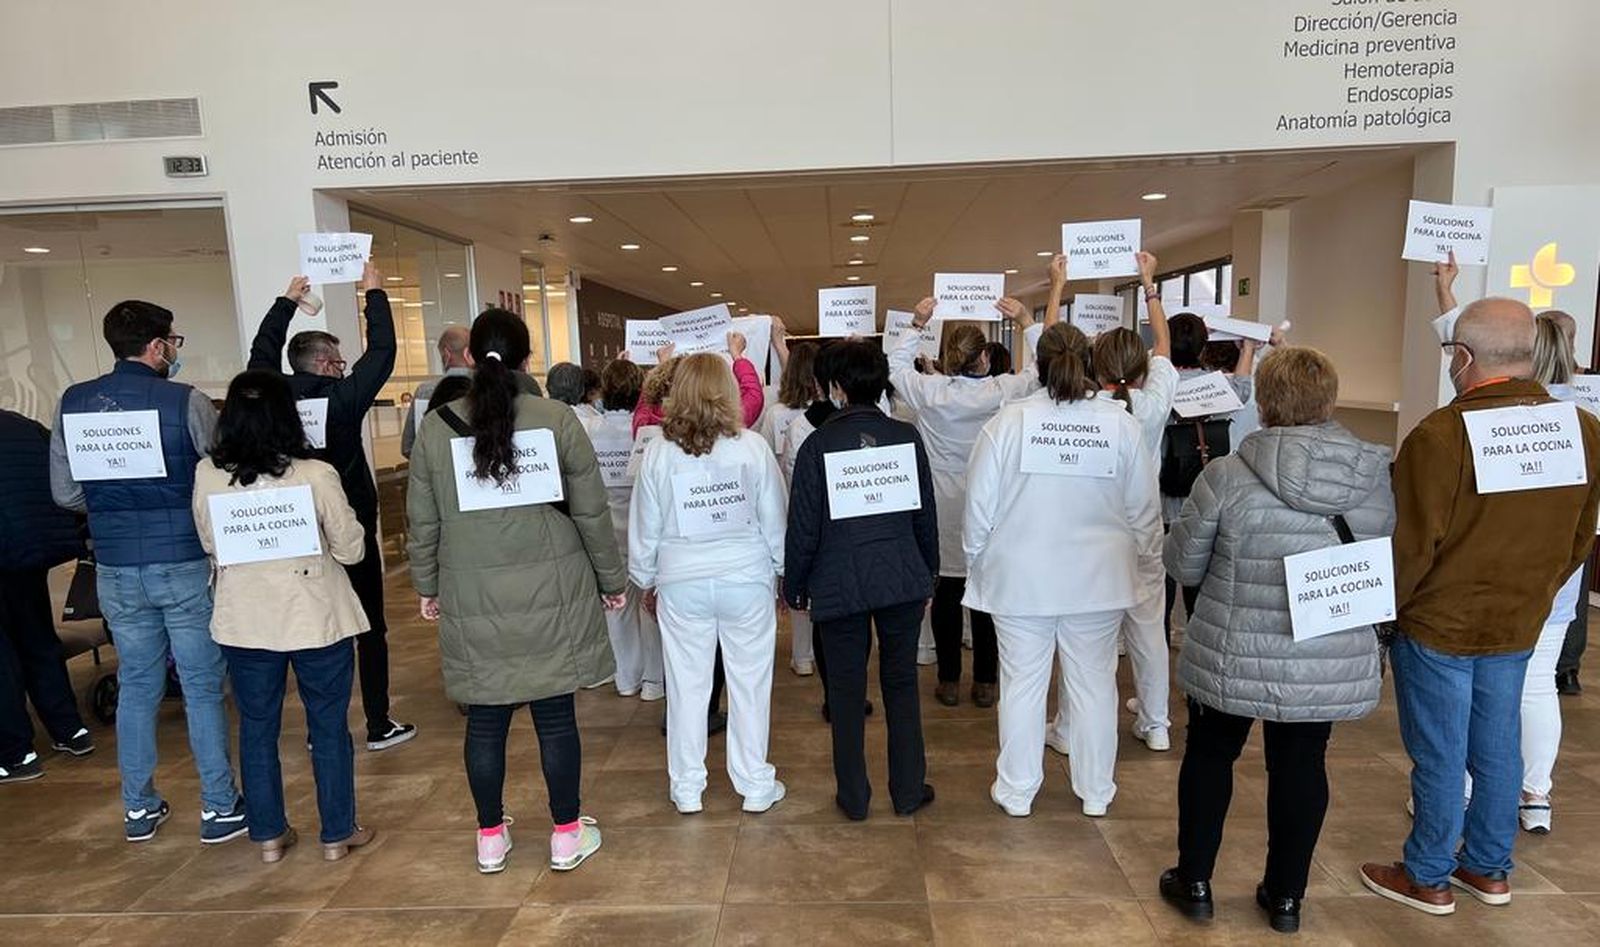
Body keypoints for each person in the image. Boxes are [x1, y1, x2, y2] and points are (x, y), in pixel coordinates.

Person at [1361, 298, 1600, 916]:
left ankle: (1428, 875)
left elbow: (1413, 545)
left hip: (1440, 622)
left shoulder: (1441, 434)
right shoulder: (1580, 429)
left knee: (1441, 753)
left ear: (1462, 357)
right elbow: (1581, 536)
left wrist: (1386, 612)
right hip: (1519, 619)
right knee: (1497, 748)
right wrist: (1538, 589)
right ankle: (1489, 868)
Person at [1158, 347, 1393, 934]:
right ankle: (1287, 897)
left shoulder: (1225, 475)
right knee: (1302, 765)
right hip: (1325, 650)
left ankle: (1195, 881)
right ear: (1330, 400)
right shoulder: (1373, 479)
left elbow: (1183, 567)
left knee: (1211, 755)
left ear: (1262, 404)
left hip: (1232, 648)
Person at [408, 308, 625, 875]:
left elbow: (423, 521)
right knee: (555, 719)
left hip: (473, 595)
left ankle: (489, 838)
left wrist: (426, 585)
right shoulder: (556, 419)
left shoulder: (436, 428)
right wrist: (611, 580)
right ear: (528, 360)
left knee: (485, 721)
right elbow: (592, 512)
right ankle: (566, 835)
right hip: (553, 592)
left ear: (469, 358)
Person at [50, 300, 245, 843]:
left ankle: (138, 808)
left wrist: (113, 508)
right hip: (182, 562)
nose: (174, 351)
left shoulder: (72, 403)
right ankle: (219, 806)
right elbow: (220, 473)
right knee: (202, 686)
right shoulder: (186, 401)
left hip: (114, 566)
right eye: (174, 342)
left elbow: (65, 493)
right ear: (158, 347)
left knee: (137, 685)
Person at [964, 322, 1160, 819]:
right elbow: (1144, 511)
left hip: (1021, 578)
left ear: (1039, 364)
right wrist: (1142, 561)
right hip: (1099, 579)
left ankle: (1017, 790)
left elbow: (978, 508)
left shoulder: (1008, 422)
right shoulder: (1120, 425)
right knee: (1094, 685)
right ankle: (1095, 790)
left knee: (1022, 685)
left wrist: (977, 559)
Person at [192, 370, 376, 864]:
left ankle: (269, 834)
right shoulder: (316, 473)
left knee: (256, 727)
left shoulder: (208, 474)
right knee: (328, 726)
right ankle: (337, 832)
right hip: (315, 615)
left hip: (244, 617)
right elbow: (352, 550)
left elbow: (210, 542)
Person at [250, 266, 414, 752]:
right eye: (339, 363)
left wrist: (286, 301)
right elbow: (382, 352)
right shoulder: (341, 398)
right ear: (324, 364)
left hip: (293, 528)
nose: (344, 369)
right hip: (349, 524)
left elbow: (262, 351)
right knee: (369, 626)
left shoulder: (270, 396)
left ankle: (320, 729)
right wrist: (374, 293)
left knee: (312, 628)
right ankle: (378, 722)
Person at [784, 340, 938, 820]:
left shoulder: (816, 445)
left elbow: (803, 526)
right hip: (901, 575)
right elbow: (924, 514)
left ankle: (854, 797)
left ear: (835, 387)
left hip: (838, 579)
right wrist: (929, 572)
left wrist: (795, 586)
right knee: (901, 684)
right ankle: (907, 791)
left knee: (846, 693)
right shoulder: (906, 437)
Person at [629, 353, 787, 816]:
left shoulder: (659, 450)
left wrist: (645, 578)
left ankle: (687, 787)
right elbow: (775, 518)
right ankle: (754, 782)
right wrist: (781, 571)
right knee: (750, 683)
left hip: (681, 582)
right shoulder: (752, 447)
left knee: (686, 685)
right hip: (746, 578)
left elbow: (645, 526)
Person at [1436, 255, 1593, 699]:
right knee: (1536, 685)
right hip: (1553, 567)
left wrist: (1445, 289)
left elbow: (1461, 341)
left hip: (1493, 583)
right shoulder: (1584, 413)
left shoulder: (1494, 414)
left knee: (1494, 689)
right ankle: (1565, 678)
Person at [890, 290, 1048, 708]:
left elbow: (895, 367)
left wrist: (917, 323)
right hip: (993, 503)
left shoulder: (931, 391)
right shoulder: (1004, 390)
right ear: (984, 358)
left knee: (945, 592)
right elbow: (1041, 368)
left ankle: (948, 680)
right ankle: (986, 681)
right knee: (986, 592)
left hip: (942, 504)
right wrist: (1026, 321)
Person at [1048, 250, 1178, 754]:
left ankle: (1069, 726)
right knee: (1149, 632)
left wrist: (1058, 286)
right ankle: (1157, 723)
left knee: (1085, 639)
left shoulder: (1083, 406)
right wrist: (1148, 282)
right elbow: (1163, 345)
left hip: (1092, 536)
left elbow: (1052, 344)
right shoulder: (1154, 403)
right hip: (1144, 533)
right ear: (1142, 368)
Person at [1514, 313, 1593, 835]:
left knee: (1484, 687)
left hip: (1506, 573)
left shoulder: (1512, 416)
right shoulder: (1589, 413)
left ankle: (1467, 788)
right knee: (1538, 684)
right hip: (1563, 568)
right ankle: (1535, 794)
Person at [0, 409, 93, 783]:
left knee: (3, 658)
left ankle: (15, 754)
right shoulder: (23, 426)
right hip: (29, 552)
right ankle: (70, 730)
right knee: (38, 640)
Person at [1161, 309, 1258, 640]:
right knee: (1199, 587)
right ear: (1203, 347)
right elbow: (1243, 389)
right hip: (1205, 497)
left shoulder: (1159, 385)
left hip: (1164, 497)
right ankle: (1196, 651)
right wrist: (1247, 349)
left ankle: (1160, 651)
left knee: (1161, 589)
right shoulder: (1218, 387)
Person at [579, 358, 665, 702]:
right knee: (650, 606)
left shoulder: (590, 431)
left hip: (607, 533)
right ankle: (654, 681)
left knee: (615, 606)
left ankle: (626, 678)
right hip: (643, 531)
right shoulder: (648, 433)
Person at [401, 324, 470, 459]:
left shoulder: (425, 391)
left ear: (447, 354)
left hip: (436, 468)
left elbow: (408, 447)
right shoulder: (490, 389)